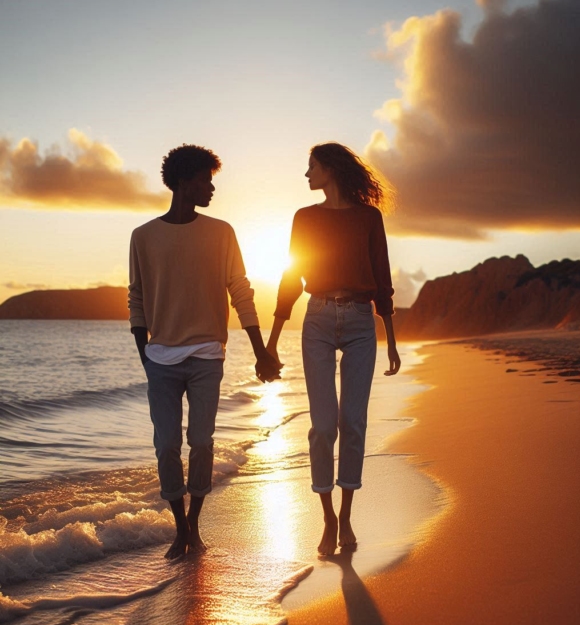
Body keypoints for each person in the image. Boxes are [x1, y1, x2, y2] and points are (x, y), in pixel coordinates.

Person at [128, 143, 280, 560]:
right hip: (161, 359)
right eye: (204, 180)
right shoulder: (143, 236)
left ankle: (195, 524)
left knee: (201, 441)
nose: (211, 188)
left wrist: (259, 349)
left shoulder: (221, 232)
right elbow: (136, 297)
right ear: (182, 181)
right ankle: (179, 528)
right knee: (165, 446)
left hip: (208, 355)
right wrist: (145, 351)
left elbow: (240, 290)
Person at [266, 142, 400, 555]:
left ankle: (346, 517)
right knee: (323, 426)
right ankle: (326, 518)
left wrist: (391, 340)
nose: (307, 174)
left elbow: (382, 278)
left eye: (312, 167)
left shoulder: (368, 218)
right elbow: (291, 276)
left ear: (331, 170)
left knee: (353, 424)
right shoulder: (304, 217)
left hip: (361, 321)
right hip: (318, 319)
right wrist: (270, 342)